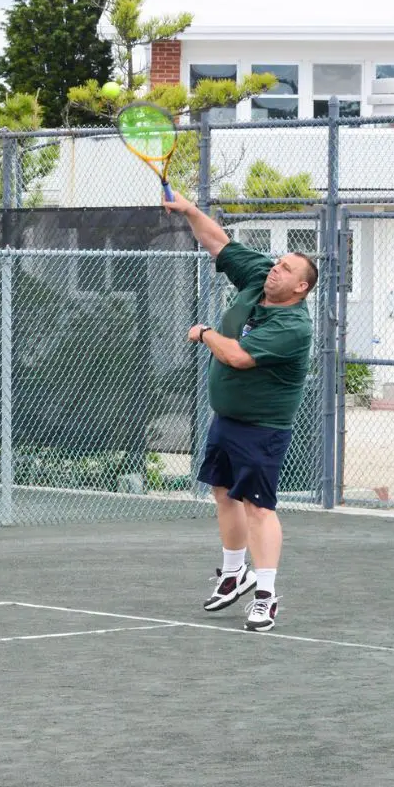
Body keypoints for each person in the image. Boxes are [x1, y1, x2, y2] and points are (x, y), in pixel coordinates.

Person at [163, 191, 317, 632]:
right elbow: (218, 243)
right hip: (226, 418)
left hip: (263, 428)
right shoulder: (258, 279)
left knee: (258, 508)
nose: (276, 269)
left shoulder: (293, 324)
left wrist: (204, 332)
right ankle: (234, 574)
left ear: (300, 287)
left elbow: (237, 356)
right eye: (277, 262)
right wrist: (191, 211)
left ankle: (266, 596)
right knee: (222, 493)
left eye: (286, 268)